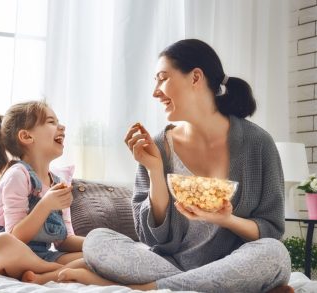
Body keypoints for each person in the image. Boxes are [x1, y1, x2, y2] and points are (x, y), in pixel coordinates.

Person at [56, 39, 293, 292]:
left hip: (233, 263)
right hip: (168, 263)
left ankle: (147, 289)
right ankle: (220, 287)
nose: (155, 91)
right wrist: (155, 171)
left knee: (274, 253)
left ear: (195, 77)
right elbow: (151, 238)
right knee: (97, 241)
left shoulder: (257, 143)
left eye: (162, 78)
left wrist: (227, 219)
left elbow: (271, 230)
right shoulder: (158, 145)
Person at [0, 101, 86, 284]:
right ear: (26, 136)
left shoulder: (58, 183)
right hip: (7, 255)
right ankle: (59, 271)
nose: (62, 127)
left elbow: (65, 240)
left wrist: (97, 244)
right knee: (1, 243)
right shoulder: (17, 175)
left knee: (94, 258)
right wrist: (46, 204)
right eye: (51, 122)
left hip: (42, 256)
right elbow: (15, 236)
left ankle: (40, 276)